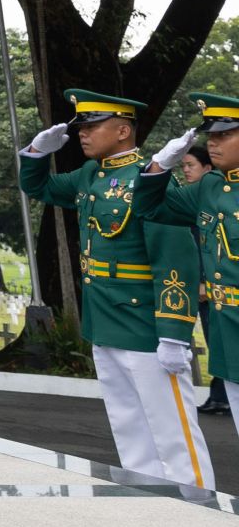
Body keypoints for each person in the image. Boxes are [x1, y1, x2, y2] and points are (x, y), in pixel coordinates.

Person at [19, 89, 211, 488]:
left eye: (92, 126)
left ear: (123, 130)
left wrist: (175, 332)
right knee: (129, 423)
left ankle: (198, 506)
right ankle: (148, 498)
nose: (83, 134)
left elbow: (176, 263)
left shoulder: (150, 182)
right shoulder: (92, 174)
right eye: (81, 127)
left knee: (171, 430)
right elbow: (42, 190)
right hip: (104, 319)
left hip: (144, 325)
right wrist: (37, 153)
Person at [135, 95, 239, 436]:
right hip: (227, 325)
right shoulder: (210, 186)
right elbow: (150, 208)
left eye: (225, 134)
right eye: (211, 134)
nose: (213, 141)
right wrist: (159, 167)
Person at [174, 147, 231, 416]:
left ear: (208, 170)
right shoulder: (190, 200)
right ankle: (218, 395)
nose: (186, 170)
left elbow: (211, 249)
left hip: (211, 290)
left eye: (191, 165)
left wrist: (204, 283)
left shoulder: (216, 199)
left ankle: (221, 396)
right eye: (183, 165)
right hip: (187, 286)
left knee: (219, 342)